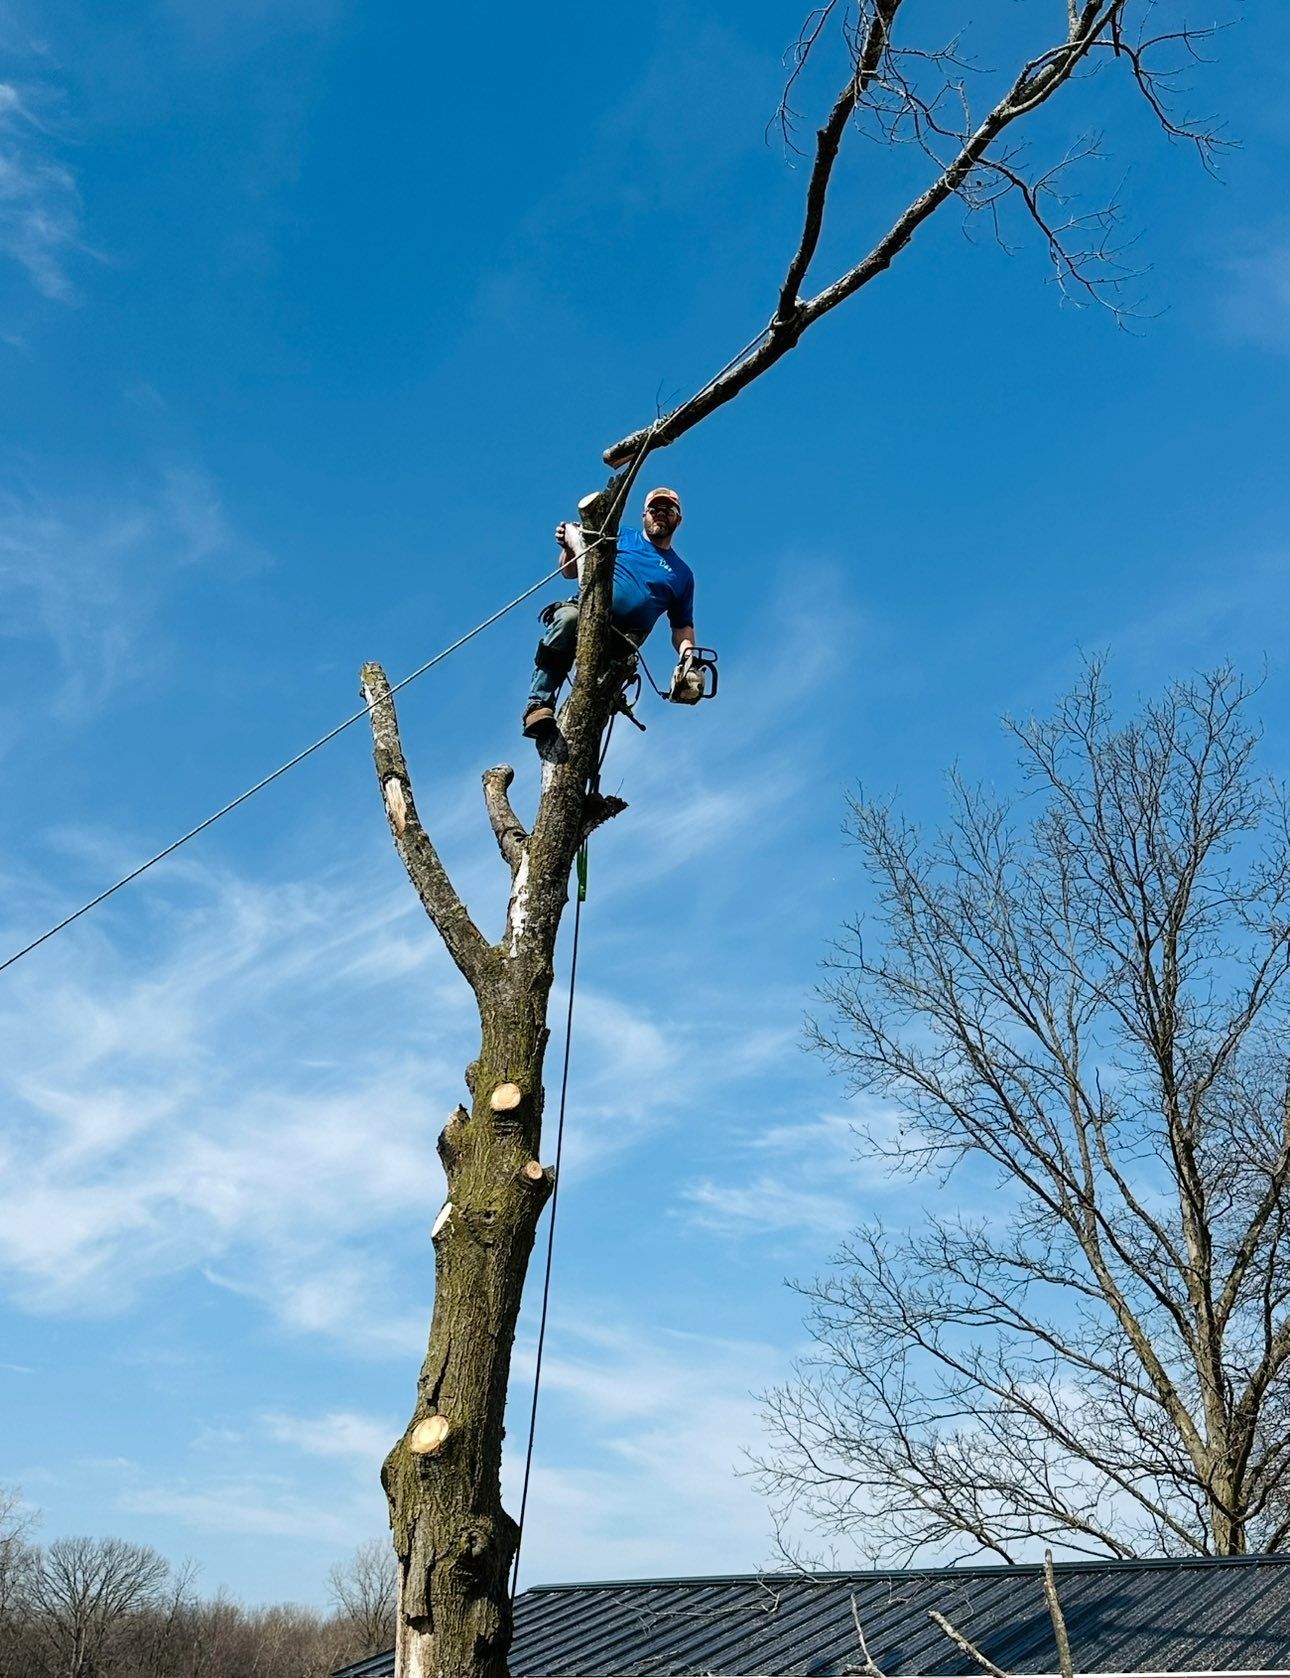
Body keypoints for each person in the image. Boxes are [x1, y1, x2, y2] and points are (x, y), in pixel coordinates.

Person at [522, 486, 698, 741]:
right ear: (644, 515)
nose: (660, 514)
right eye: (654, 509)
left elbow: (681, 626)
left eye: (667, 510)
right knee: (566, 620)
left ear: (678, 519)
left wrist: (688, 656)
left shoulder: (681, 574)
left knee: (600, 694)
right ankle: (538, 704)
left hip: (623, 640)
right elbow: (569, 571)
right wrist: (569, 546)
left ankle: (586, 734)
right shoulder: (620, 536)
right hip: (585, 612)